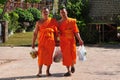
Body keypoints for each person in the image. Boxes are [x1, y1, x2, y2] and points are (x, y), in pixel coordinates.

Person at [32, 7, 58, 77]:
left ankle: (47, 71)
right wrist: (33, 43)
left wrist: (56, 41)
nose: (45, 13)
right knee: (41, 56)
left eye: (46, 12)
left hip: (51, 42)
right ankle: (40, 71)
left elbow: (56, 33)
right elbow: (35, 33)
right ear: (42, 13)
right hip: (42, 42)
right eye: (44, 12)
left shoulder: (53, 21)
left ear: (49, 13)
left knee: (49, 56)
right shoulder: (39, 22)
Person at [58, 7, 84, 76]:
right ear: (60, 14)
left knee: (72, 54)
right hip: (63, 42)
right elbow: (58, 32)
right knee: (66, 56)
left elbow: (76, 31)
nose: (63, 14)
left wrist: (80, 39)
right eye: (61, 12)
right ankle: (68, 70)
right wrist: (58, 34)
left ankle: (72, 65)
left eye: (64, 12)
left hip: (71, 41)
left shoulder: (72, 21)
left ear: (67, 12)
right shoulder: (59, 23)